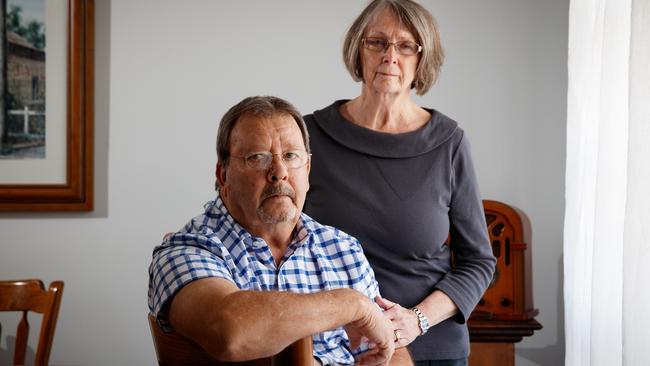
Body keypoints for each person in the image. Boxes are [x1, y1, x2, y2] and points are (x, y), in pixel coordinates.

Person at [148, 96, 412, 366]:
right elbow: (231, 333)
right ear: (223, 174)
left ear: (307, 169)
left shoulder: (343, 249)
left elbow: (392, 351)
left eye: (291, 156)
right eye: (257, 158)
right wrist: (354, 305)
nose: (279, 172)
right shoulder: (185, 251)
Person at [303, 1, 497, 365]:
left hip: (429, 346)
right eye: (377, 42)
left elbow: (478, 262)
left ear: (422, 59)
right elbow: (273, 235)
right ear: (358, 50)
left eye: (406, 46)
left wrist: (416, 320)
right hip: (330, 349)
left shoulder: (449, 143)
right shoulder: (309, 135)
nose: (390, 56)